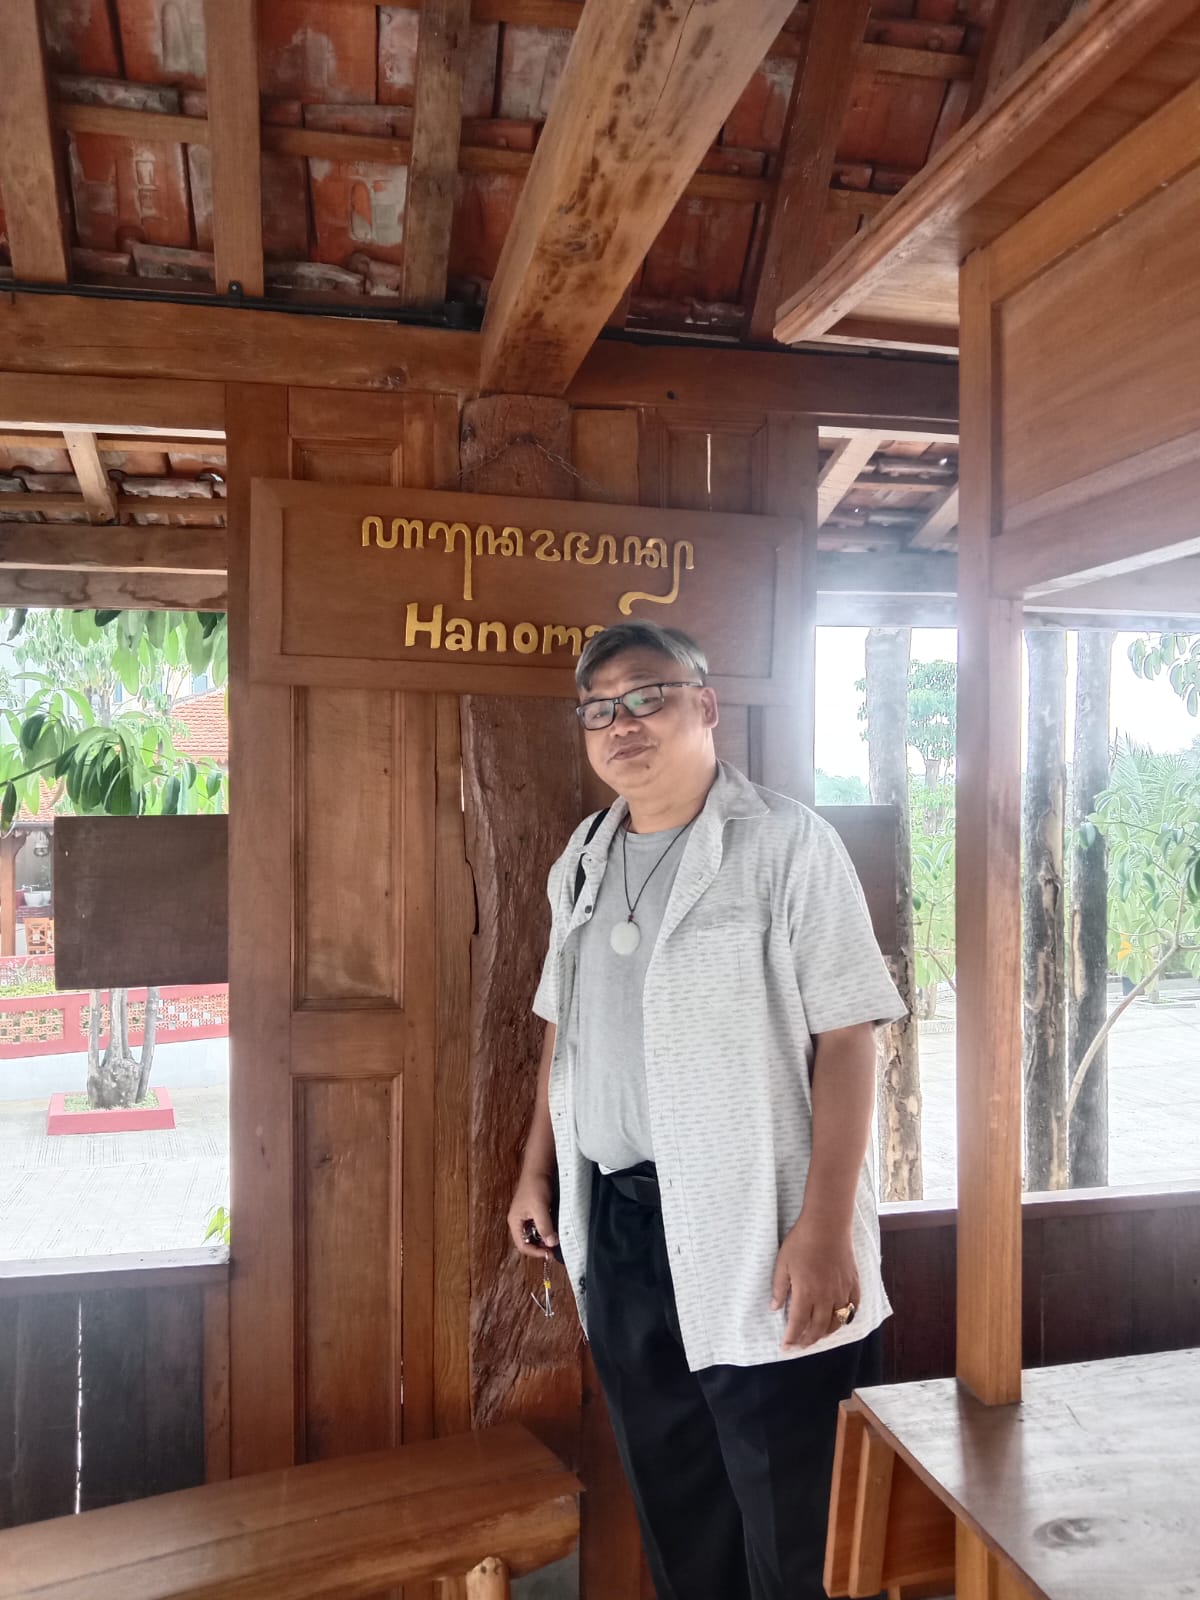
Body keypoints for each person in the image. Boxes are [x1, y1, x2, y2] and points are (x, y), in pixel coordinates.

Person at [507, 620, 906, 1600]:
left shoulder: (785, 845)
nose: (623, 723)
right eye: (599, 709)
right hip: (622, 1229)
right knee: (681, 1519)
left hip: (762, 1233)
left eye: (647, 696)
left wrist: (824, 1229)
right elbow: (565, 1028)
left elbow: (851, 1037)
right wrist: (535, 1168)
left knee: (800, 1539)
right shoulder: (583, 860)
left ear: (706, 705)